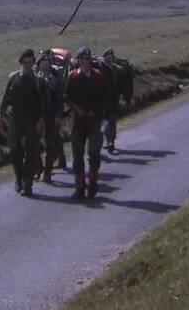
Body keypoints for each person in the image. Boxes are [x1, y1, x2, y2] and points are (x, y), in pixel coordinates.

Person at [63, 46, 112, 199]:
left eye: (87, 59)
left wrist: (94, 110)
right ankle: (79, 187)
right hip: (78, 121)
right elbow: (66, 96)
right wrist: (76, 108)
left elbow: (105, 97)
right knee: (77, 155)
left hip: (95, 120)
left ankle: (92, 183)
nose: (85, 62)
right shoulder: (72, 76)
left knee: (94, 152)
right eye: (82, 59)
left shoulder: (98, 76)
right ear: (78, 61)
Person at [0, 48, 47, 197]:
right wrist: (0, 116)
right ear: (21, 63)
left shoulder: (39, 81)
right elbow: (5, 99)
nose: (27, 65)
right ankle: (19, 176)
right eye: (25, 63)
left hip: (33, 121)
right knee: (14, 151)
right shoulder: (13, 78)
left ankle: (28, 183)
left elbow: (45, 104)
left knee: (32, 153)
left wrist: (41, 121)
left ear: (33, 63)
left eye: (30, 63)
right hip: (16, 120)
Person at [35, 51, 65, 183]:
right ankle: (38, 169)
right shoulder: (33, 79)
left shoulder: (54, 80)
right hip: (36, 118)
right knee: (33, 145)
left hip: (51, 117)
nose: (45, 67)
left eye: (47, 64)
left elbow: (59, 99)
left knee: (49, 145)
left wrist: (59, 115)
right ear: (38, 66)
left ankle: (47, 171)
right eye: (43, 64)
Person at [99, 48, 132, 154]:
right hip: (103, 102)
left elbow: (124, 86)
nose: (109, 59)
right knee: (104, 122)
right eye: (107, 57)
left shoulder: (118, 70)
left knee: (111, 122)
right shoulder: (100, 70)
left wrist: (127, 99)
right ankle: (106, 140)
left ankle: (110, 142)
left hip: (114, 100)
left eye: (111, 57)